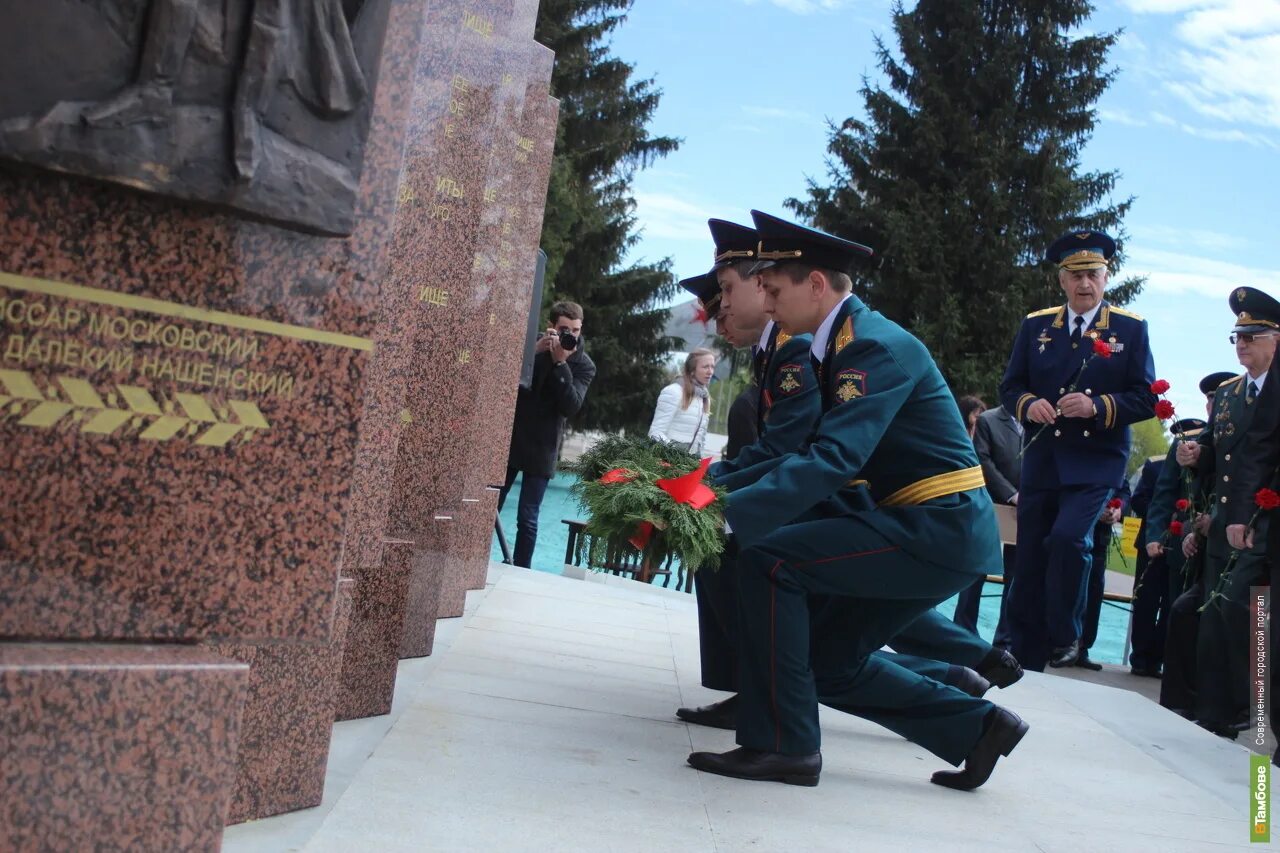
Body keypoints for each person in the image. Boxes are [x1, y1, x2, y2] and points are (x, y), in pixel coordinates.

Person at [688, 212, 1025, 790]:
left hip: (935, 526)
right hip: (926, 525)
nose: (766, 305)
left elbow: (832, 459)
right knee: (823, 663)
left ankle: (785, 749)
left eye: (773, 290)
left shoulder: (868, 346)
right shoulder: (839, 345)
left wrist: (726, 512)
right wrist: (709, 496)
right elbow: (803, 453)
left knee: (771, 563)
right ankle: (978, 727)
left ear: (815, 285)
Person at [998, 230, 1156, 671]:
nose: (1085, 283)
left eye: (1093, 274)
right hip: (1045, 459)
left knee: (1069, 539)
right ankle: (1024, 656)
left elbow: (1145, 399)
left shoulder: (1129, 328)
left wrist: (1097, 406)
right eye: (1075, 275)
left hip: (1097, 460)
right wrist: (1031, 405)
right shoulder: (1037, 325)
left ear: (1107, 278)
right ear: (1061, 280)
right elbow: (1011, 386)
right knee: (1029, 555)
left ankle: (1065, 635)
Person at [1176, 287, 1280, 738]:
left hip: (1265, 520)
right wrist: (1198, 455)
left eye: (1252, 336)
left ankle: (1248, 709)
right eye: (1236, 337)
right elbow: (1226, 455)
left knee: (1247, 613)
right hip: (1228, 518)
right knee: (1216, 615)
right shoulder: (1227, 394)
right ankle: (1215, 712)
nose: (1241, 345)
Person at [500, 301, 596, 568]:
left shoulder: (584, 365)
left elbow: (572, 405)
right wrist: (531, 352)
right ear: (552, 326)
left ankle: (520, 570)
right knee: (491, 505)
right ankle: (472, 559)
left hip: (543, 446)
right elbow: (504, 380)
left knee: (527, 517)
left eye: (576, 330)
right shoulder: (532, 346)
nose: (571, 335)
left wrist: (560, 365)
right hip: (512, 438)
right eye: (565, 329)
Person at [1157, 377, 1231, 716]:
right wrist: (1192, 529)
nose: (1215, 405)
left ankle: (1235, 717)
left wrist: (1213, 522)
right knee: (1184, 612)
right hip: (1209, 548)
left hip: (1248, 545)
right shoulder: (1202, 441)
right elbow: (1189, 494)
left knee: (1252, 634)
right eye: (1213, 399)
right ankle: (1180, 709)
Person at [954, 403, 1020, 636]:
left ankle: (1005, 637)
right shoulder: (988, 420)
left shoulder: (1042, 422)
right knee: (976, 570)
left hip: (1023, 512)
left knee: (1015, 576)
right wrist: (1012, 494)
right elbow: (983, 460)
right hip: (989, 503)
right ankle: (963, 632)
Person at [649, 349, 716, 454]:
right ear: (692, 370)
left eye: (712, 367)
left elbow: (700, 440)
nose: (710, 371)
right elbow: (655, 432)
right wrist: (678, 455)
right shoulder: (673, 392)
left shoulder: (704, 397)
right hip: (667, 460)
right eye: (705, 367)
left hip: (689, 463)